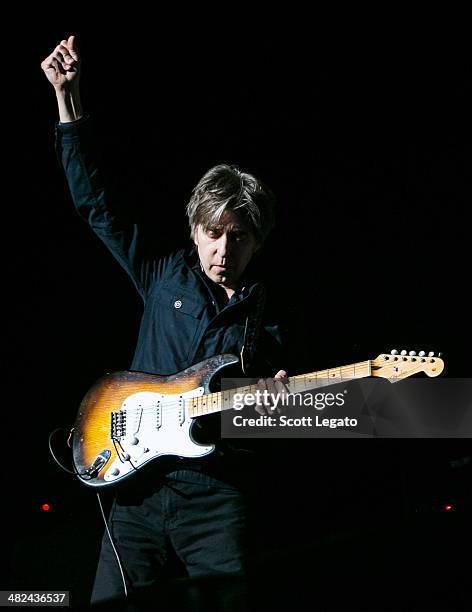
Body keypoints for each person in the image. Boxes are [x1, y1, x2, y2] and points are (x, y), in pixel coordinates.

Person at [41, 35, 289, 610]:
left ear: (258, 240)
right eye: (213, 232)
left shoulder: (271, 317)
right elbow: (95, 206)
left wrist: (272, 411)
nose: (223, 248)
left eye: (239, 236)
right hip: (136, 486)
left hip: (215, 495)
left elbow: (275, 432)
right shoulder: (163, 275)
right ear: (196, 230)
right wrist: (67, 101)